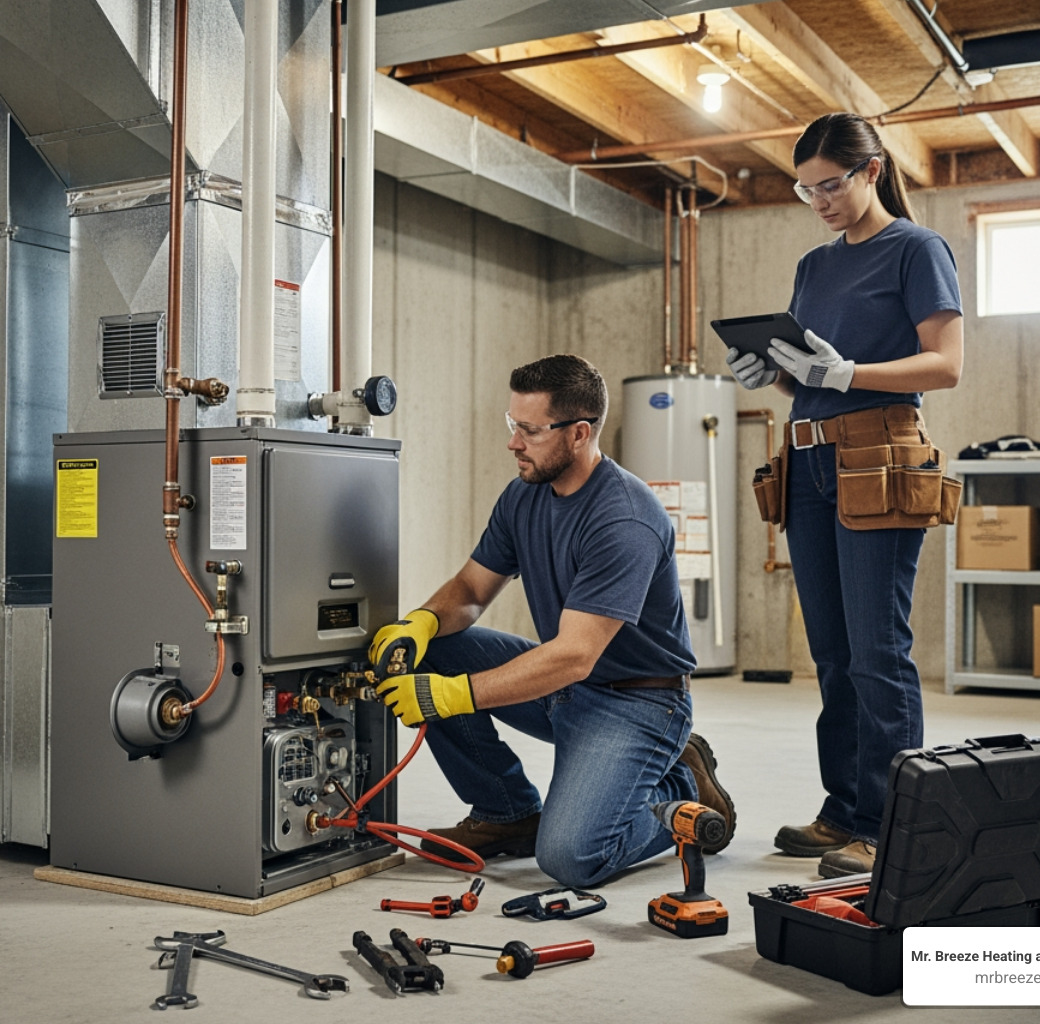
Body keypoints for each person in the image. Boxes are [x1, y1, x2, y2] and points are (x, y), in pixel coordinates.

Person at [369, 354, 735, 888]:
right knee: (435, 650)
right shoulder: (524, 496)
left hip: (635, 702)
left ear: (579, 433)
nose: (514, 442)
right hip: (564, 686)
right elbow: (471, 590)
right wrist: (421, 622)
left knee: (570, 857)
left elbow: (575, 654)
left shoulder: (624, 518)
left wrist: (452, 696)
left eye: (530, 430)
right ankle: (506, 813)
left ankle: (682, 789)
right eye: (512, 425)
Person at [725, 112, 963, 878]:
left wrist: (847, 373)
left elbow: (946, 365)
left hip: (878, 461)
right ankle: (845, 809)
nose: (819, 200)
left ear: (871, 171)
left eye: (830, 185)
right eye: (806, 189)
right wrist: (777, 373)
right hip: (809, 467)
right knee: (831, 655)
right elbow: (809, 373)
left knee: (878, 652)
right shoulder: (814, 265)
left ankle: (892, 823)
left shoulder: (918, 249)